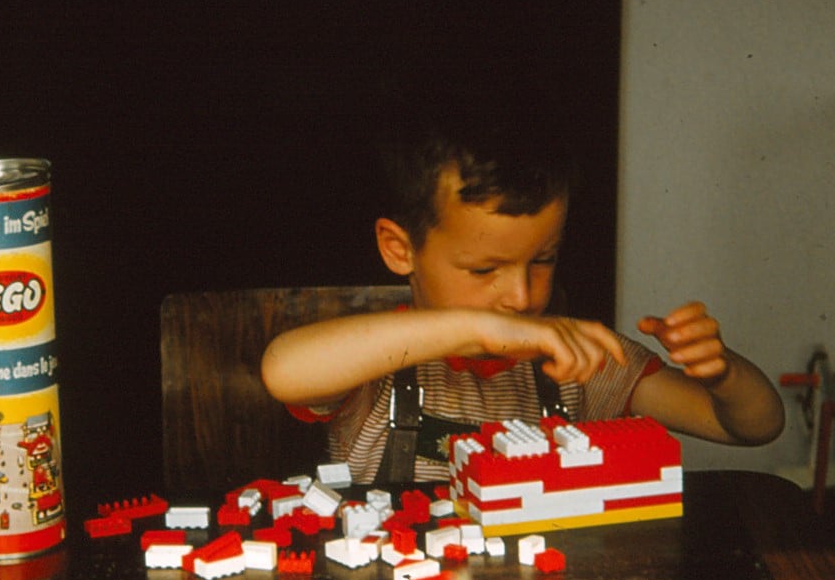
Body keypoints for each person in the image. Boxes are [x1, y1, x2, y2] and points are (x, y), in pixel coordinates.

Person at [260, 89, 785, 484]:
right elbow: (284, 372)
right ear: (401, 250)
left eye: (543, 260)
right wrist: (474, 329)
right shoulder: (373, 366)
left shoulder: (580, 362)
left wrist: (724, 375)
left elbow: (751, 427)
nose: (519, 296)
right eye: (484, 271)